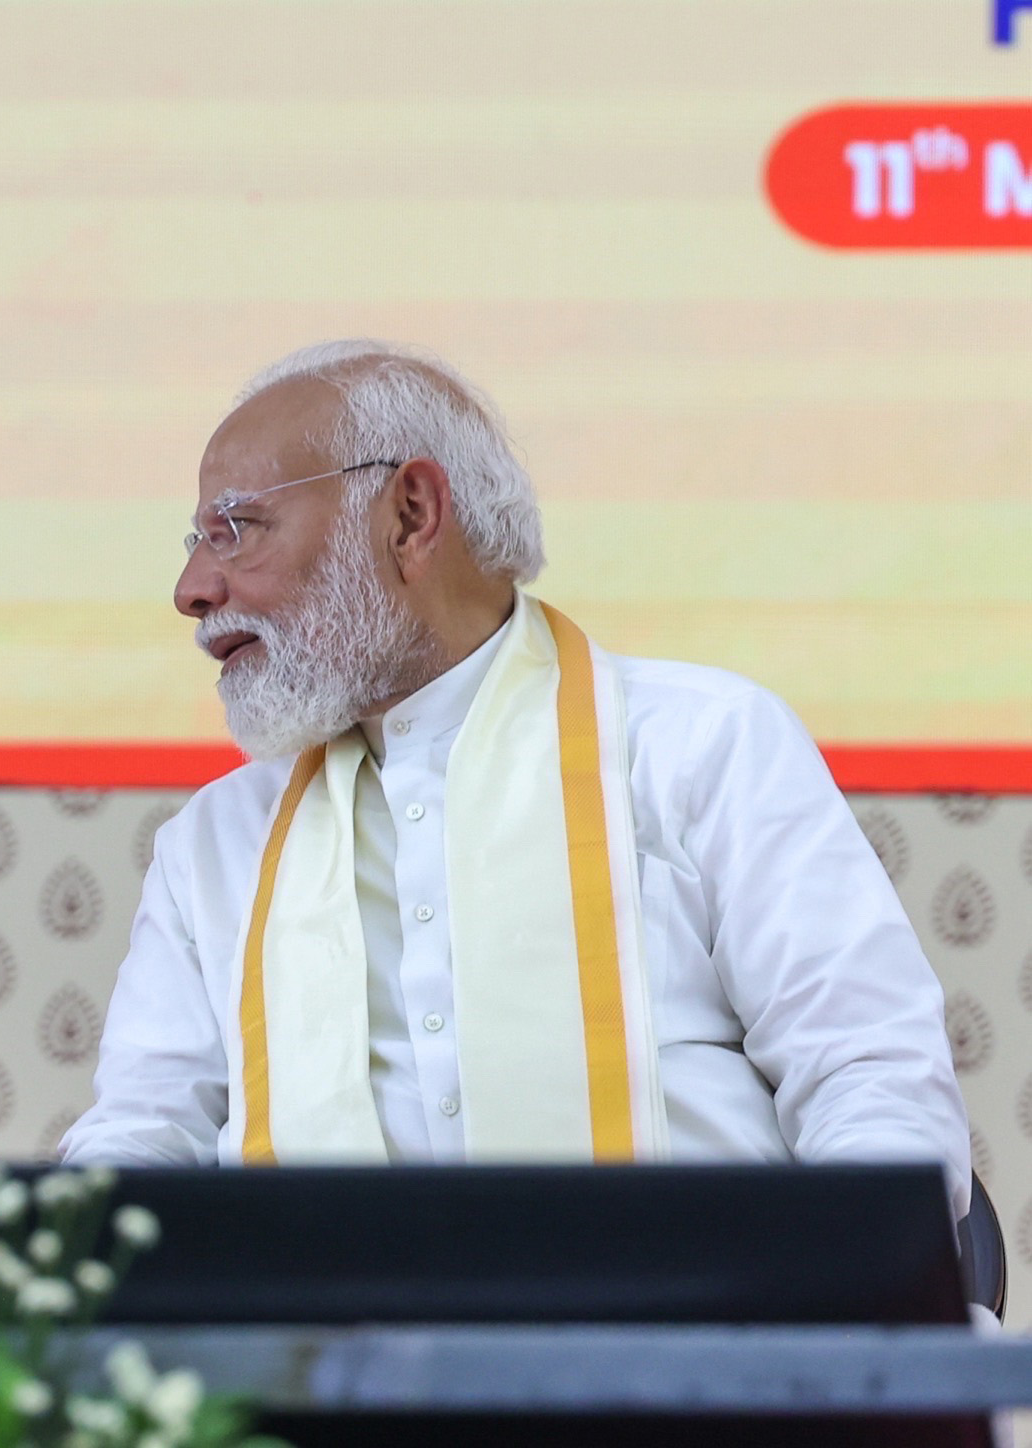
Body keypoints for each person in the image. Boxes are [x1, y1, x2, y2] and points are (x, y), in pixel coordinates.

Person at [62, 339, 971, 1218]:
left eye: (237, 530)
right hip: (329, 1325)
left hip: (699, 1319)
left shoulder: (700, 744)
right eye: (198, 541)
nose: (192, 588)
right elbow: (142, 1137)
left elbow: (868, 1079)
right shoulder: (218, 841)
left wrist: (847, 1295)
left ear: (410, 515)